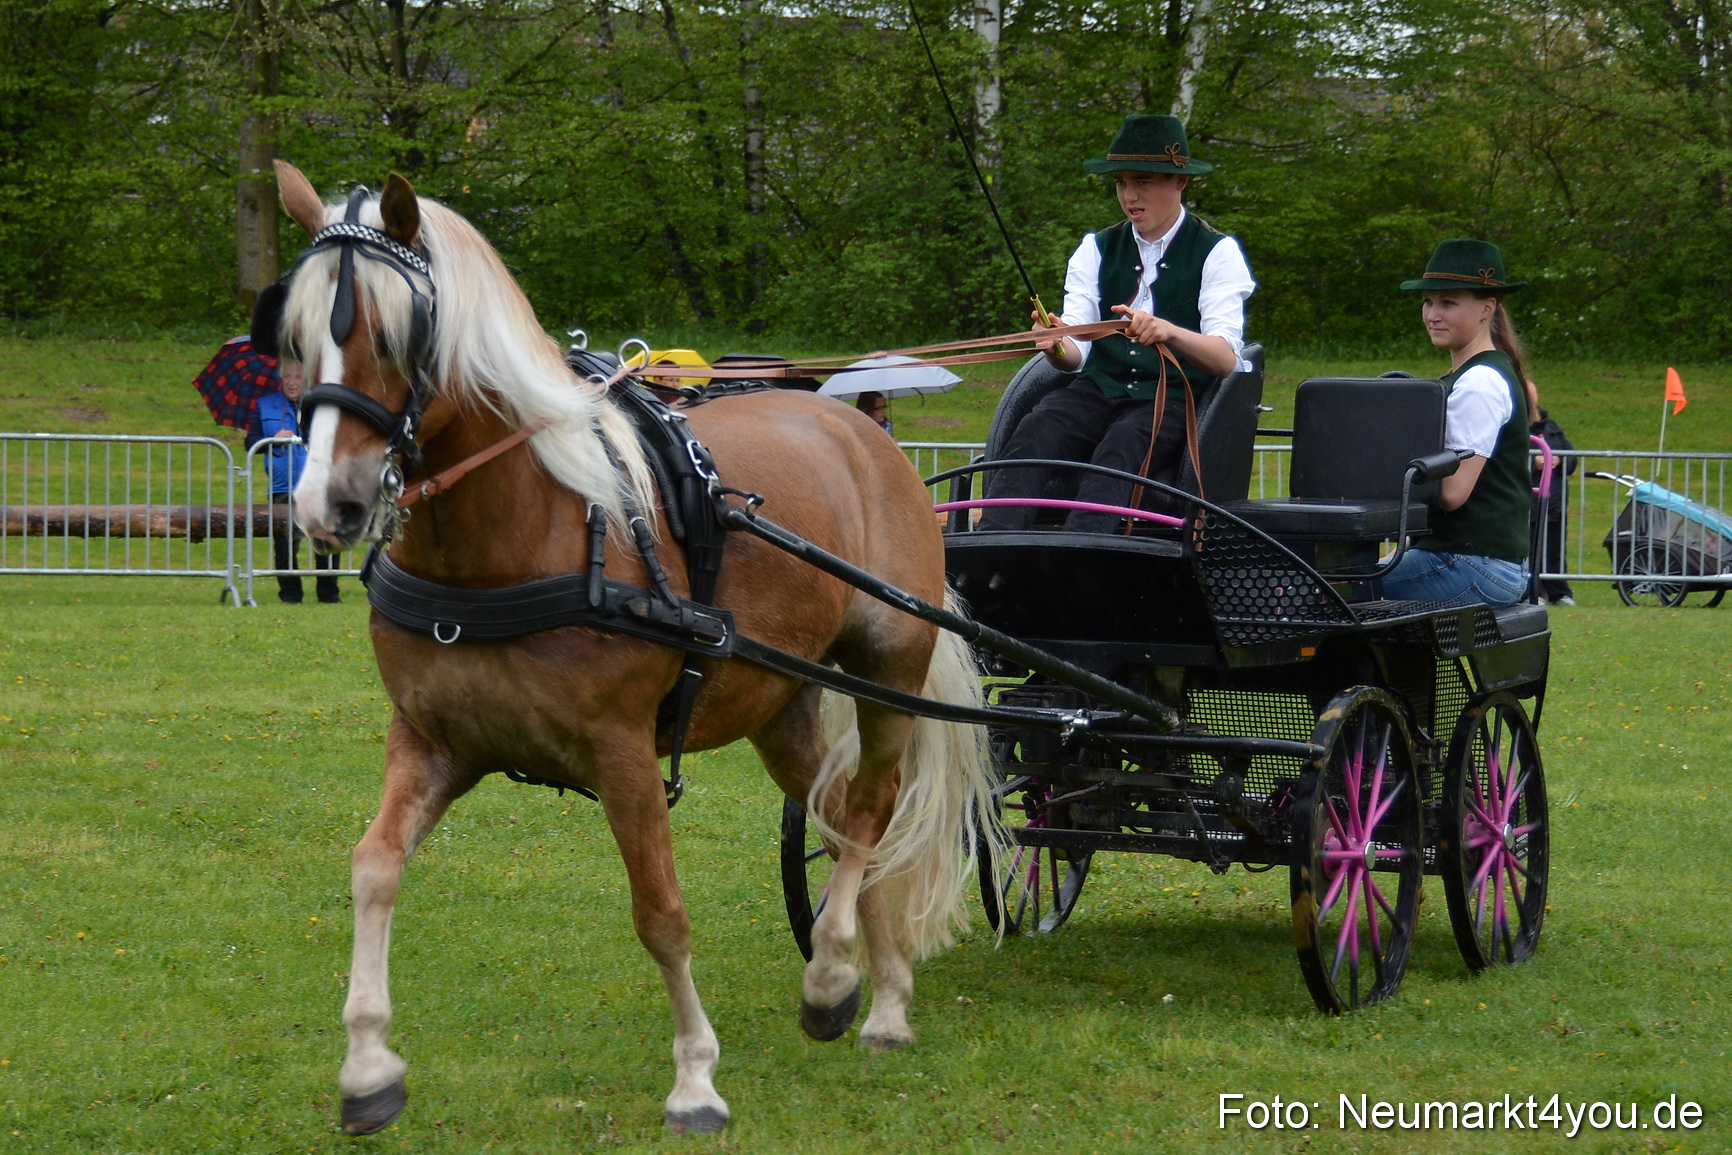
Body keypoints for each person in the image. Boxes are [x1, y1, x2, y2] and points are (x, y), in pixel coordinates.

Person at [979, 113, 1255, 532]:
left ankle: (1082, 554)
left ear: (1180, 181)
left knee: (1123, 443)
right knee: (1038, 427)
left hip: (1171, 401)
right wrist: (1054, 343)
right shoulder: (1095, 248)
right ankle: (994, 548)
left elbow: (1224, 358)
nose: (1129, 195)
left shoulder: (1217, 252)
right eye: (1121, 182)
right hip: (1097, 390)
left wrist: (1169, 331)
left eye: (1143, 181)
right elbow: (1075, 355)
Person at [1382, 239, 1534, 608]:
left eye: (1448, 303)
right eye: (1428, 302)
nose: (1432, 314)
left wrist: (1381, 471)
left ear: (1487, 308)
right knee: (1340, 579)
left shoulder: (1479, 382)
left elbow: (1452, 493)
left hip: (1474, 565)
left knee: (1321, 589)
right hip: (1471, 559)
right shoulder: (1471, 375)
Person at [248, 360, 341, 604]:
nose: (291, 382)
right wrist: (272, 438)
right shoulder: (264, 404)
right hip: (282, 486)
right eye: (286, 376)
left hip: (319, 483)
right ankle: (290, 593)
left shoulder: (321, 406)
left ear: (307, 379)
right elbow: (251, 442)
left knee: (326, 535)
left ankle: (329, 593)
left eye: (297, 377)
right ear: (280, 379)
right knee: (285, 541)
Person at [1529, 400, 1577, 605]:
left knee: (1555, 549)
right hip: (1529, 503)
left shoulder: (1553, 429)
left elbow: (1572, 459)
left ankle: (1559, 593)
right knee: (1530, 548)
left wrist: (1559, 460)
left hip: (1555, 502)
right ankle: (1531, 592)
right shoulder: (1516, 430)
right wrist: (1533, 463)